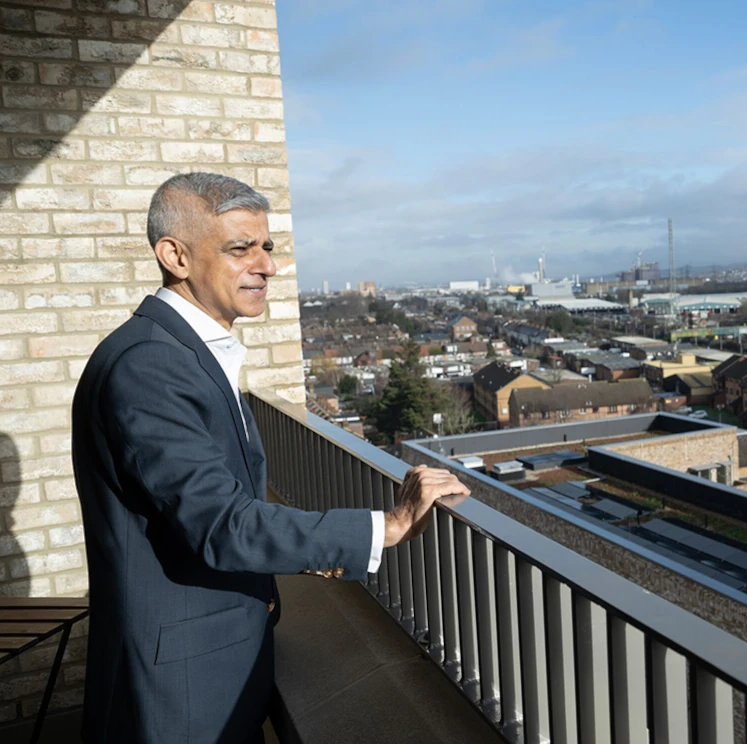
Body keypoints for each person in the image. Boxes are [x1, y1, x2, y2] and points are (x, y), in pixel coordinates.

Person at [71, 172, 471, 743]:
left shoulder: (178, 352)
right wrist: (389, 525)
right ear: (175, 256)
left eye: (267, 247)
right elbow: (222, 523)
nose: (267, 266)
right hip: (182, 690)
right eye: (240, 248)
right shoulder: (149, 365)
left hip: (210, 664)